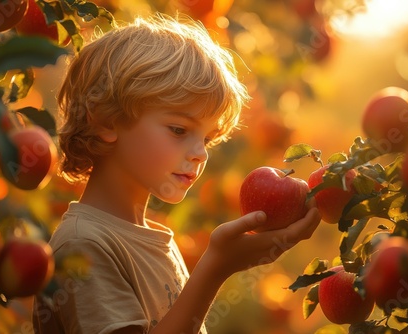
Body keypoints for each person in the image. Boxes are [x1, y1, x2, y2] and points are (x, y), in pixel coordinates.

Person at [32, 12, 321, 334]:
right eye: (179, 129)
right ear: (105, 120)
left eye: (208, 138)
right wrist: (215, 268)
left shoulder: (155, 241)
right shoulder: (84, 245)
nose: (201, 153)